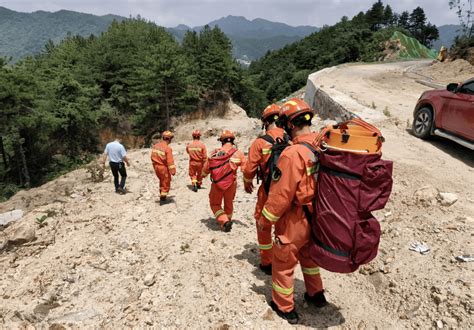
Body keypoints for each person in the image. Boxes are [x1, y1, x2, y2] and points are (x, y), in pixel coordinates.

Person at [261, 98, 327, 324]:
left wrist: (265, 219)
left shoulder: (292, 154)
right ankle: (316, 295)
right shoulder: (323, 144)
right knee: (309, 257)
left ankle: (284, 306)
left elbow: (281, 195)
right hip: (319, 214)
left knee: (283, 262)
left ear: (289, 125)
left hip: (296, 219)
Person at [242, 104, 285, 275]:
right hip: (290, 191)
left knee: (263, 224)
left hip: (268, 190)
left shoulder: (260, 143)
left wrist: (247, 182)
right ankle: (284, 259)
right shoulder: (291, 139)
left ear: (265, 122)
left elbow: (249, 169)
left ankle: (267, 262)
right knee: (284, 226)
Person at [203, 130, 246, 232]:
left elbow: (207, 167)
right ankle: (228, 219)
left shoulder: (215, 152)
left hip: (217, 184)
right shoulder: (238, 153)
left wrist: (202, 176)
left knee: (214, 203)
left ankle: (224, 221)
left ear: (222, 141)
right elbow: (245, 169)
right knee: (229, 202)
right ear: (233, 141)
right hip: (231, 183)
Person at [151, 131, 176, 204]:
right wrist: (173, 171)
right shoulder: (168, 148)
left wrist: (155, 166)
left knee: (161, 180)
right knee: (166, 181)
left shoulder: (156, 146)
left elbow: (152, 157)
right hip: (163, 168)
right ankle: (163, 198)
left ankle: (162, 193)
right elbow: (170, 162)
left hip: (156, 167)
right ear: (169, 139)